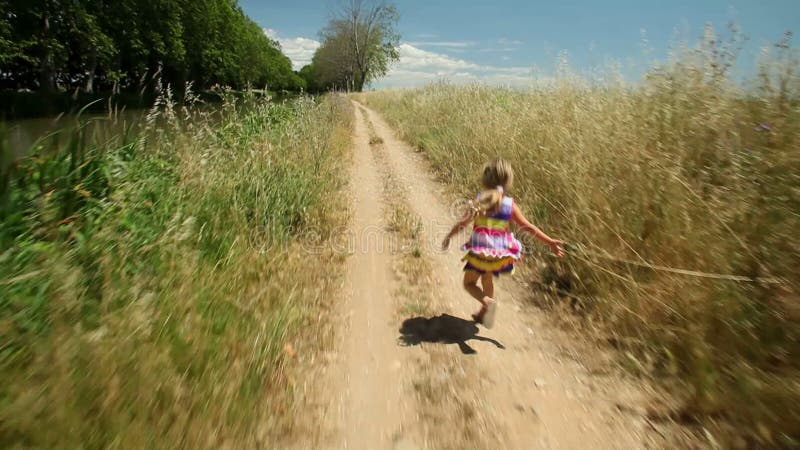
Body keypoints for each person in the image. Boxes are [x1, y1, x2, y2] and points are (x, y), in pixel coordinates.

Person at [441, 158, 565, 328]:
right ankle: (484, 312)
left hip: (480, 253)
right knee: (487, 279)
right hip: (499, 254)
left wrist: (449, 236)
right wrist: (549, 241)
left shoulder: (479, 201)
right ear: (507, 182)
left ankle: (487, 302)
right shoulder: (510, 205)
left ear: (485, 180)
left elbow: (463, 223)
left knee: (469, 284)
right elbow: (528, 227)